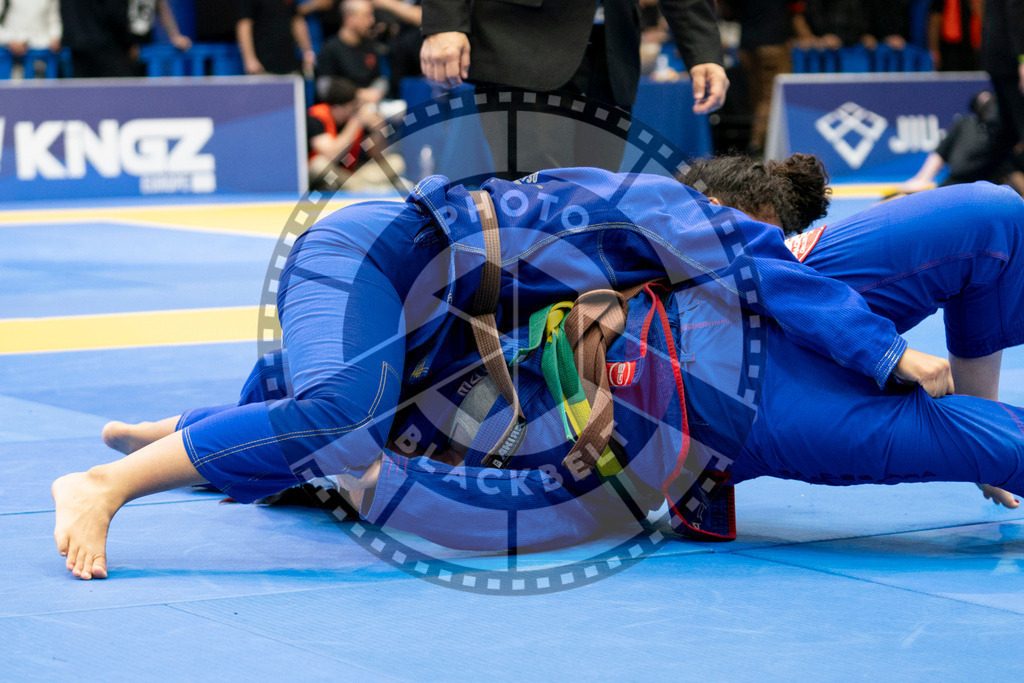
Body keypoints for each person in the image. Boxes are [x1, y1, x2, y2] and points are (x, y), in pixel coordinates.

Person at [53, 159, 1024, 579]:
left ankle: (185, 434)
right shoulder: (665, 215)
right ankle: (110, 482)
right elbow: (763, 267)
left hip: (418, 308)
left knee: (356, 412)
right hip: (368, 252)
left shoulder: (623, 262)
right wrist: (890, 353)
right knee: (346, 416)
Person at [417, 0, 728, 174]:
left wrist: (702, 51)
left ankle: (588, 290)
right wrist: (444, 21)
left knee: (598, 200)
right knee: (537, 200)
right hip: (518, 38)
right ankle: (532, 291)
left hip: (612, 46)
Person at [895, 91, 1024, 197]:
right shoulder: (964, 124)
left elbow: (1013, 170)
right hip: (956, 186)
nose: (989, 110)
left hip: (989, 191)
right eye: (983, 106)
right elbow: (940, 154)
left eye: (991, 104)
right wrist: (922, 179)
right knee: (900, 198)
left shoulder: (1010, 133)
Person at [316, 0, 386, 96]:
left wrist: (377, 92)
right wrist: (357, 94)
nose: (372, 20)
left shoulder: (370, 46)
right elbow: (323, 87)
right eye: (366, 15)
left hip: (370, 105)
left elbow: (380, 78)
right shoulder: (330, 49)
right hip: (342, 105)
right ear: (349, 18)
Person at [237, 0, 316, 76]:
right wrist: (250, 59)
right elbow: (244, 24)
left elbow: (296, 19)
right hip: (263, 65)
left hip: (289, 63)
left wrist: (307, 51)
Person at [59, 0, 134, 78]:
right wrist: (129, 41)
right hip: (105, 42)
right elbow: (115, 11)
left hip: (77, 42)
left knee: (84, 86)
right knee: (121, 85)